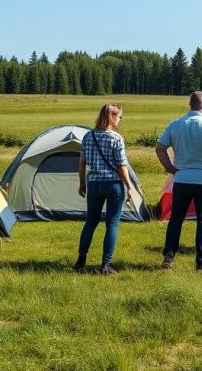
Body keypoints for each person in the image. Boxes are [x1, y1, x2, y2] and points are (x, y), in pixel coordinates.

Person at [156, 91, 202, 272]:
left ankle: (168, 257)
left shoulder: (175, 124)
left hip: (181, 179)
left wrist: (170, 168)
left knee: (176, 220)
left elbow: (160, 148)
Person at [75, 103, 132, 275]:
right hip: (113, 184)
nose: (120, 120)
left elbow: (82, 163)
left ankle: (80, 260)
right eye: (119, 117)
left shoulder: (88, 136)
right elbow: (122, 166)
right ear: (112, 117)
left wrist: (82, 182)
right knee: (112, 224)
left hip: (93, 184)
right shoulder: (116, 138)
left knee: (90, 223)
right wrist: (129, 186)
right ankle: (106, 265)